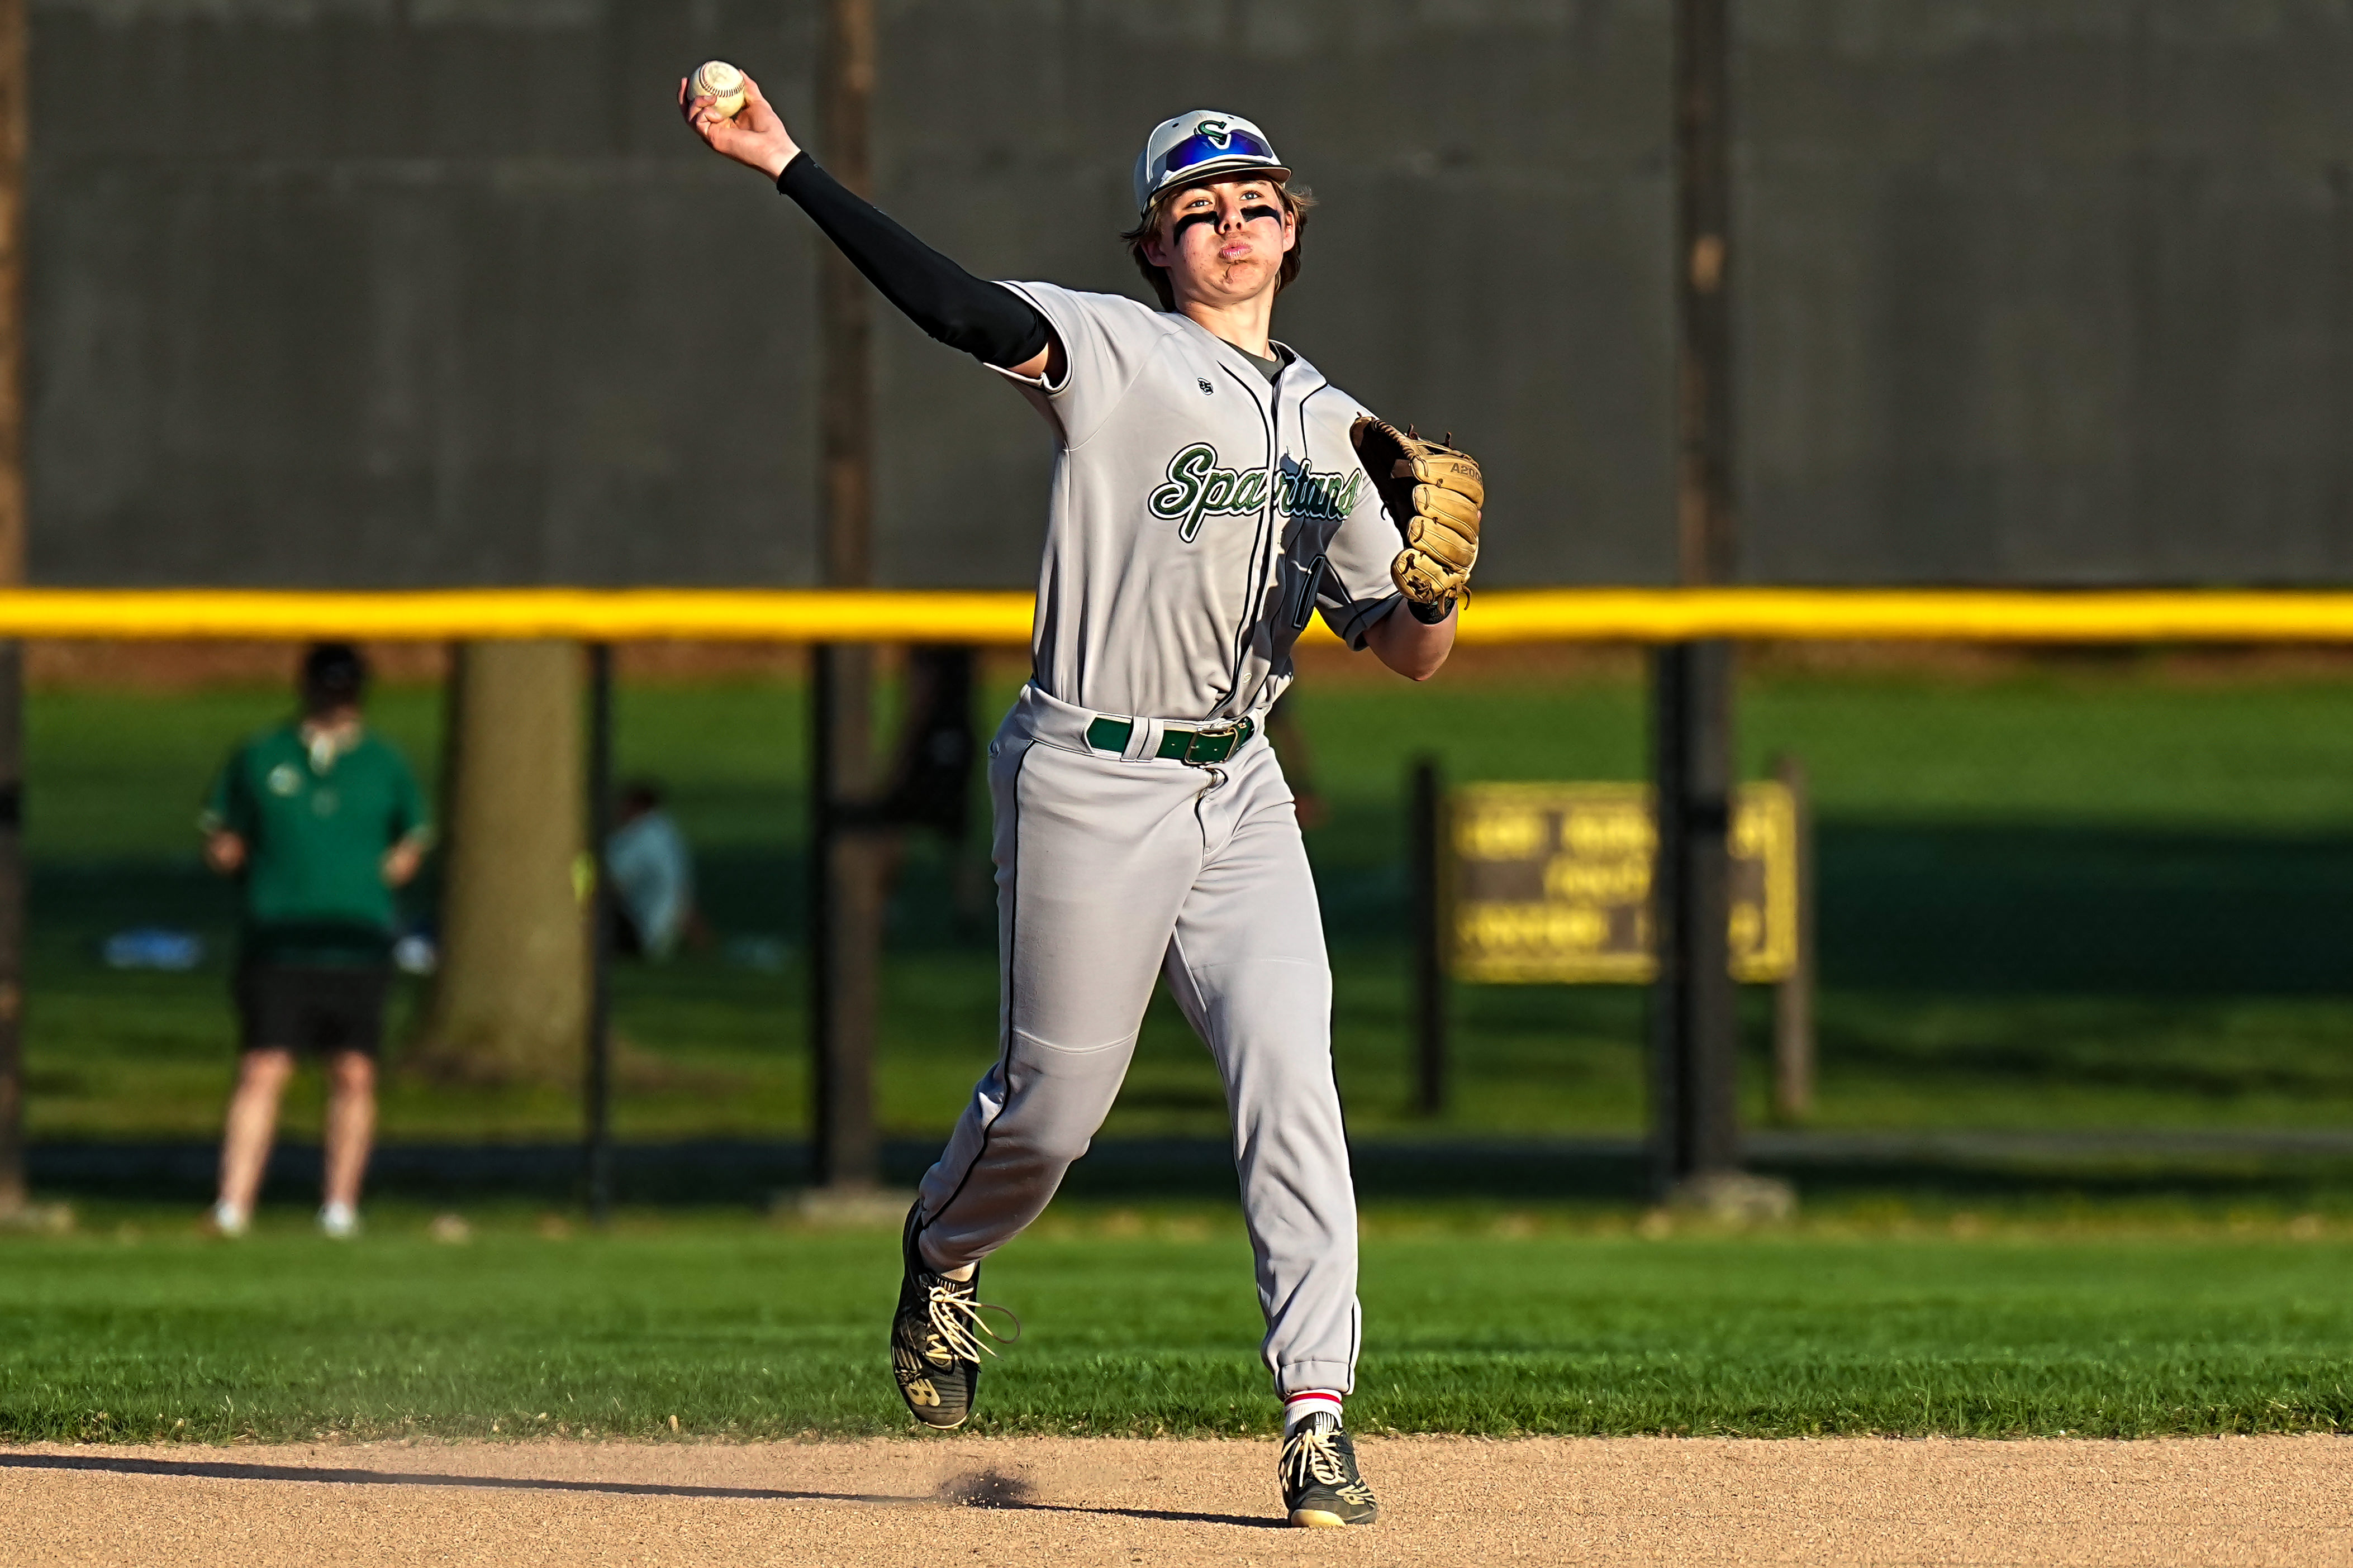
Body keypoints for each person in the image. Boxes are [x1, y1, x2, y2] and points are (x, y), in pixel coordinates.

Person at [682, 87, 1482, 1528]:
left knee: (1292, 1079)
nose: (1232, 226)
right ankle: (942, 1249)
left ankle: (1316, 1417)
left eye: (1255, 204)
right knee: (1051, 1115)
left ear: (1292, 230)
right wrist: (790, 167)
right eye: (1200, 210)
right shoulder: (1112, 353)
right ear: (1157, 247)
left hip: (1237, 786)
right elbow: (953, 309)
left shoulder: (1340, 428)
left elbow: (1406, 655)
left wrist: (1431, 588)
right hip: (1085, 778)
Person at [202, 643, 431, 1240]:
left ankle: (339, 1206)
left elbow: (413, 838)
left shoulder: (383, 762)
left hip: (356, 944)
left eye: (347, 689)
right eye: (328, 688)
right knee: (263, 1066)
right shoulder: (262, 755)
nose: (337, 700)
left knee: (354, 1071)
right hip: (278, 941)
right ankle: (233, 1204)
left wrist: (381, 871)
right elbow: (222, 835)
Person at [607, 780, 700, 960]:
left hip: (639, 932)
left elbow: (611, 885)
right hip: (660, 937)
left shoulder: (640, 838)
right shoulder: (666, 833)